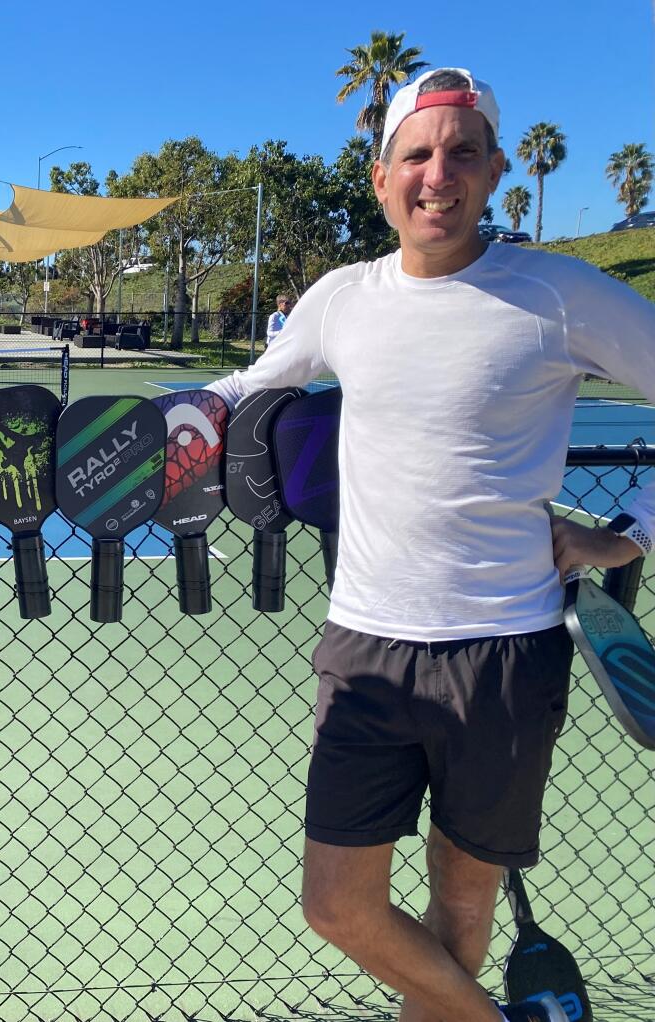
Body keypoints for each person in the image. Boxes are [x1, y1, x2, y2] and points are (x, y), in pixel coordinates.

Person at [207, 68, 655, 1022]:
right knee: (338, 905)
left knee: (460, 911)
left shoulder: (560, 294)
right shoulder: (341, 298)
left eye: (461, 154)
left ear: (495, 171)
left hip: (505, 653)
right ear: (382, 178)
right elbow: (243, 392)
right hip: (365, 648)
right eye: (417, 154)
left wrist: (629, 533)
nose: (437, 174)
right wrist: (163, 433)